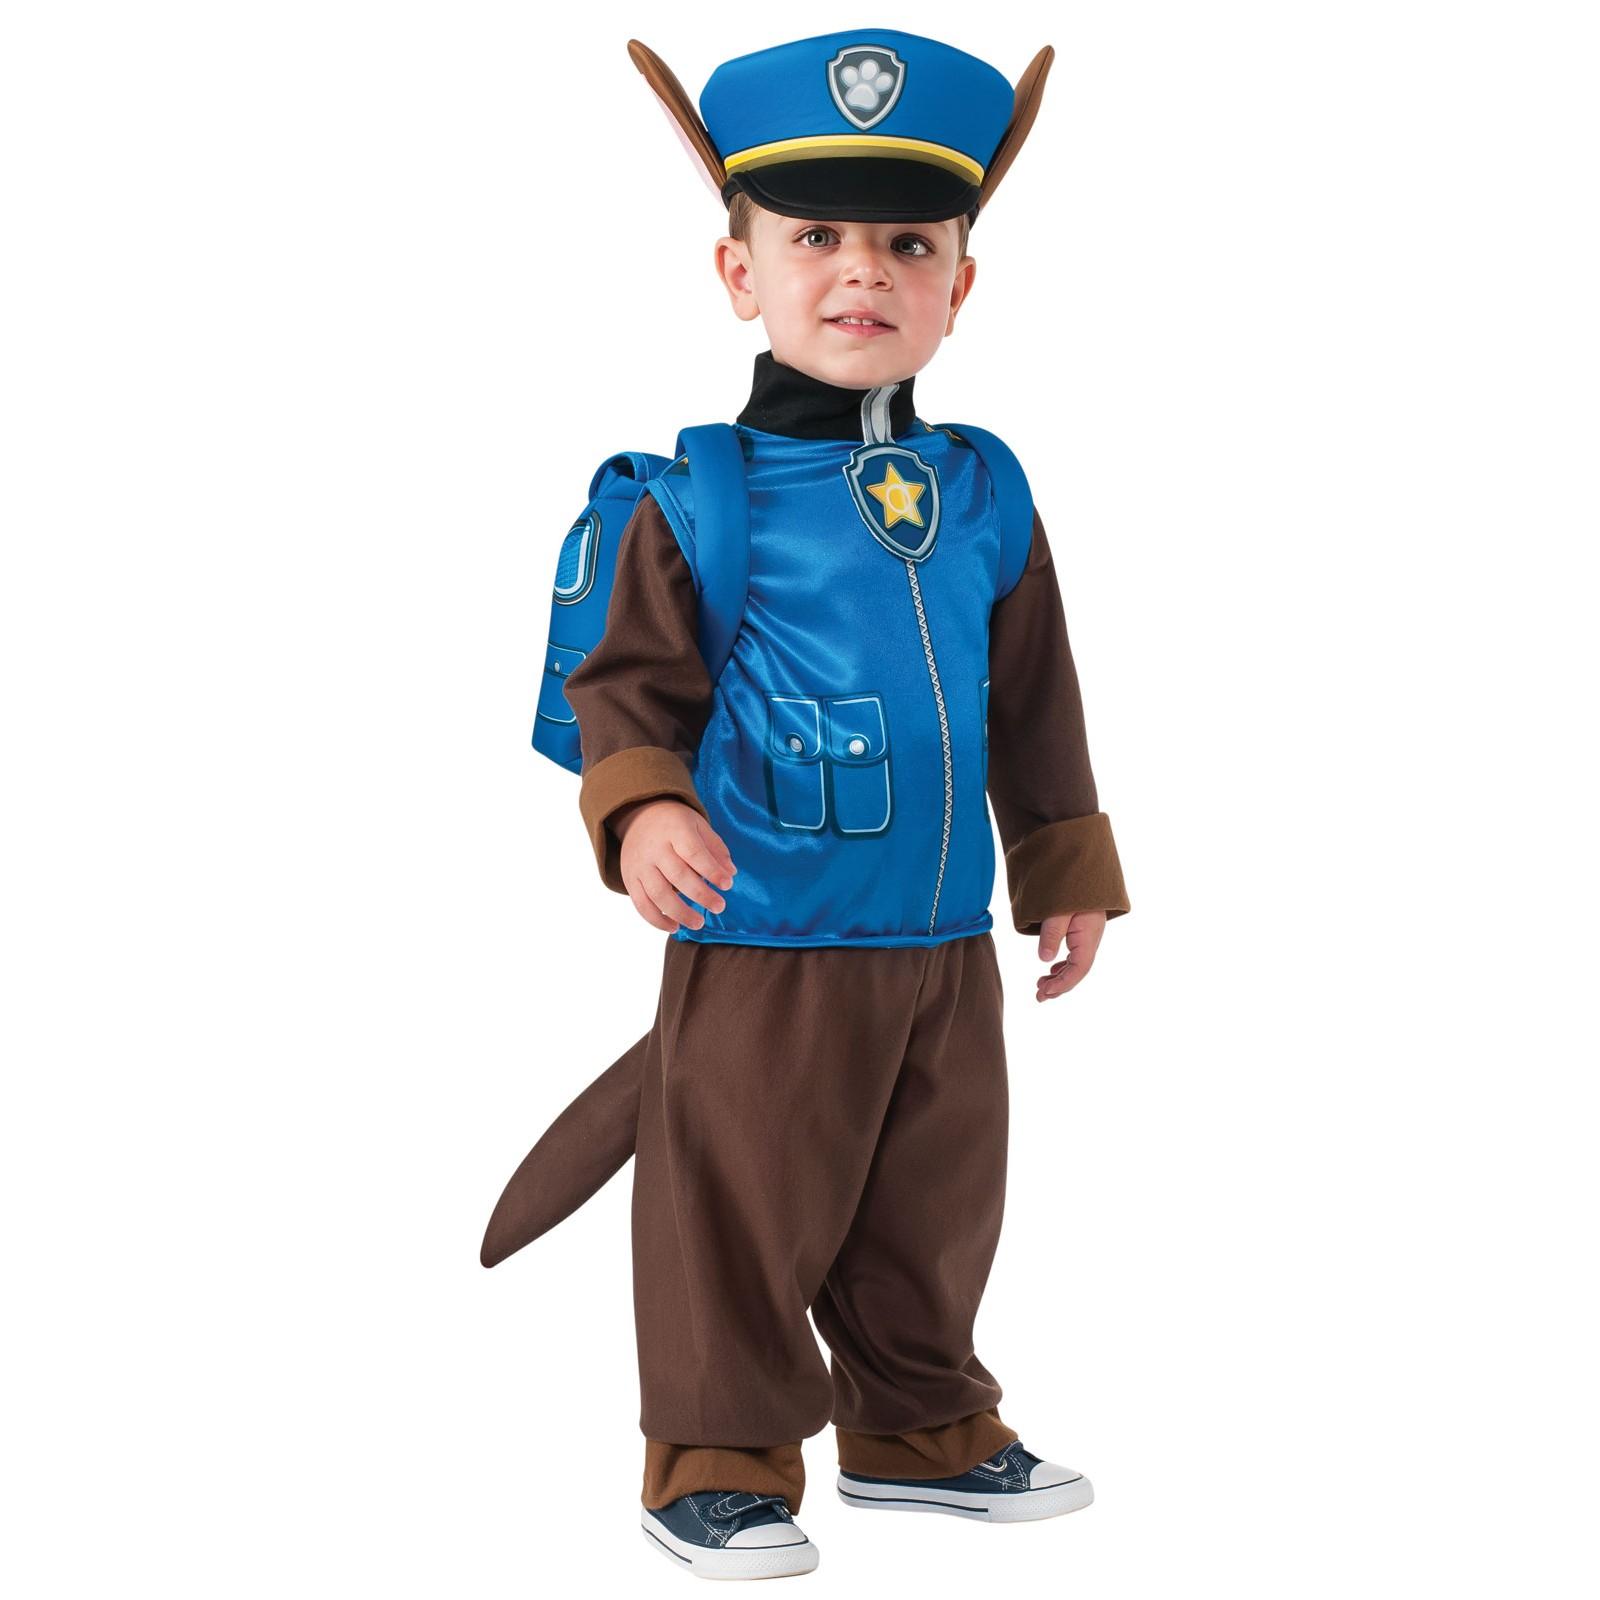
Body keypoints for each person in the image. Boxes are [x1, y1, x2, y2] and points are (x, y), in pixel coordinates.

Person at [484, 30, 1130, 1580]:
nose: (861, 272)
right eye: (816, 235)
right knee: (740, 1205)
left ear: (960, 284)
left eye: (908, 244)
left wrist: (1062, 862)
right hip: (765, 933)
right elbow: (626, 690)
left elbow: (1034, 692)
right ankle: (714, 1458)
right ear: (740, 271)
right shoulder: (692, 497)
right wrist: (643, 814)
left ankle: (920, 1429)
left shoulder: (983, 490)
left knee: (933, 1201)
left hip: (939, 943)